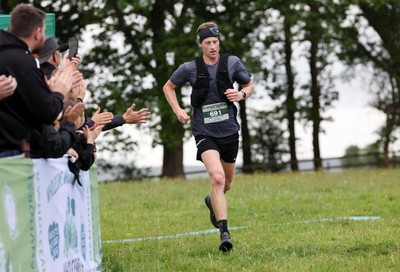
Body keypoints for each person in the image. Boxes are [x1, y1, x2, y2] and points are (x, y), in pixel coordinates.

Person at [163, 22, 254, 252]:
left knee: (228, 183)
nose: (212, 46)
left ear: (219, 42)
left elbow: (249, 84)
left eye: (215, 42)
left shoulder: (232, 63)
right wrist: (178, 110)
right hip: (205, 132)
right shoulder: (189, 68)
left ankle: (212, 201)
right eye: (207, 43)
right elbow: (168, 87)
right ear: (201, 44)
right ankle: (225, 233)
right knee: (217, 178)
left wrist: (242, 94)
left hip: (230, 131)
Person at [0, 3, 74, 158]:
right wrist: (59, 93)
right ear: (38, 32)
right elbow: (46, 112)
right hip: (12, 154)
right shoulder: (24, 64)